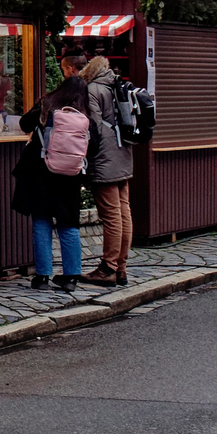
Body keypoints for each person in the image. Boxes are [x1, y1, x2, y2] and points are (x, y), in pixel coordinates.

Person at [13, 54, 96, 291]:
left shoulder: (47, 104)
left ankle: (42, 277)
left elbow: (24, 125)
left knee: (41, 220)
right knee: (68, 223)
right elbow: (95, 145)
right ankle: (70, 276)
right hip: (70, 176)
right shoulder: (85, 114)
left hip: (41, 171)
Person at [77, 55, 134, 286]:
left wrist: (85, 156)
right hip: (123, 153)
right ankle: (121, 267)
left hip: (104, 158)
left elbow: (94, 127)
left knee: (111, 216)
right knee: (123, 212)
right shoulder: (117, 85)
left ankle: (108, 267)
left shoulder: (92, 89)